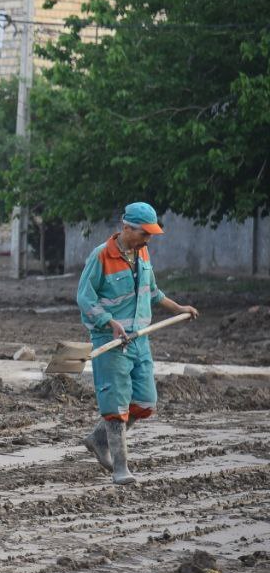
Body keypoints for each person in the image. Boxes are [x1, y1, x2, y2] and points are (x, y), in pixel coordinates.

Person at [75, 202, 198, 485]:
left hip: (139, 339)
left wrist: (178, 307)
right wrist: (109, 321)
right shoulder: (101, 256)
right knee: (116, 405)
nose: (149, 239)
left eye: (150, 234)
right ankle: (120, 467)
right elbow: (85, 298)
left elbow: (152, 292)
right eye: (144, 233)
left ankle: (97, 438)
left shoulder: (142, 252)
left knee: (144, 402)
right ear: (126, 227)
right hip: (111, 341)